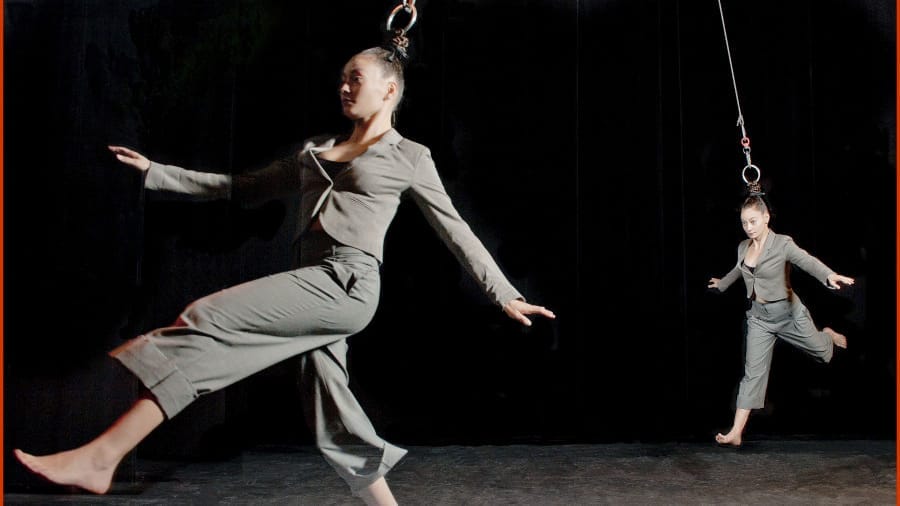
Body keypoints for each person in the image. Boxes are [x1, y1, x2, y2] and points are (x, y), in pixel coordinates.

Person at [14, 46, 555, 505]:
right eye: (342, 78)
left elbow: (455, 228)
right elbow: (237, 186)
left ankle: (100, 455)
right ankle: (100, 459)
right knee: (330, 406)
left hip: (346, 284)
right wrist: (157, 173)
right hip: (310, 279)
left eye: (356, 79)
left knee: (210, 317)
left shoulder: (409, 156)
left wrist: (502, 293)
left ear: (389, 90)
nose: (344, 86)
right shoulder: (315, 152)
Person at [707, 194, 853, 448]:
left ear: (766, 217)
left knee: (823, 354)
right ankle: (736, 431)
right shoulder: (743, 247)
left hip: (788, 315)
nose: (749, 227)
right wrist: (722, 283)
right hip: (759, 319)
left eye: (753, 221)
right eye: (744, 223)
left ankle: (827, 334)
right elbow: (738, 269)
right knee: (753, 374)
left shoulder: (783, 244)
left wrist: (829, 275)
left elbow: (807, 261)